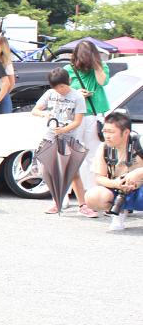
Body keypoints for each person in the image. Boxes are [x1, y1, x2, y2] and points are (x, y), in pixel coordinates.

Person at [30, 68, 97, 217]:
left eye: (62, 86)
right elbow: (35, 110)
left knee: (73, 172)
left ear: (69, 82)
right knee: (50, 171)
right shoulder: (50, 94)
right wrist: (44, 114)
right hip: (50, 137)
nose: (60, 90)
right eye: (56, 87)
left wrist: (64, 129)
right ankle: (57, 202)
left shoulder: (77, 97)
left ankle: (82, 205)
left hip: (70, 138)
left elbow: (78, 121)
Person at [85, 110, 143, 231]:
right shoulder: (104, 148)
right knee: (93, 196)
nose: (107, 136)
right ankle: (119, 213)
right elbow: (99, 177)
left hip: (140, 189)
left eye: (111, 132)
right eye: (105, 131)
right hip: (119, 190)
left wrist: (138, 173)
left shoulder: (140, 143)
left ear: (126, 132)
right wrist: (116, 183)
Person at [65, 39, 110, 191]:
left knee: (94, 155)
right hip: (74, 116)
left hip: (94, 115)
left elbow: (102, 82)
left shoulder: (101, 67)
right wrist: (76, 93)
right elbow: (61, 91)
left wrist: (96, 64)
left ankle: (92, 191)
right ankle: (67, 192)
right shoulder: (68, 69)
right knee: (72, 155)